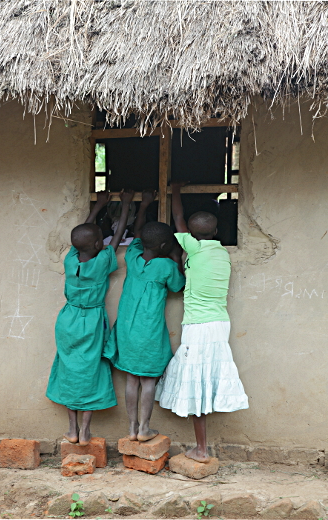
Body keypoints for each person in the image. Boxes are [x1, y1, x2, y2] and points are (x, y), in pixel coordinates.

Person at [155, 182, 249, 463]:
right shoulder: (222, 253)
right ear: (217, 232)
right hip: (220, 323)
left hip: (197, 326)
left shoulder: (193, 250)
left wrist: (175, 193)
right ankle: (201, 446)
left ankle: (202, 449)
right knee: (206, 376)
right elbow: (186, 225)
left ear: (190, 237)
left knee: (196, 381)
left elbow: (179, 219)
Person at [46, 189, 135, 446]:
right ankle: (85, 431)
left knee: (69, 369)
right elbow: (117, 237)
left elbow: (83, 234)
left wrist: (98, 206)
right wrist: (126, 205)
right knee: (91, 370)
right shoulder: (103, 261)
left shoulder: (69, 260)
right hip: (92, 320)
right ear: (99, 245)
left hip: (68, 319)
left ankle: (72, 429)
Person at [104, 190, 185, 442]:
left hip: (127, 329)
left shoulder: (132, 257)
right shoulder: (166, 267)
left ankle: (131, 427)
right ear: (164, 246)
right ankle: (144, 428)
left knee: (131, 380)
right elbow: (178, 286)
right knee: (148, 381)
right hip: (149, 332)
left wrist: (144, 206)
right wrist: (177, 258)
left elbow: (138, 233)